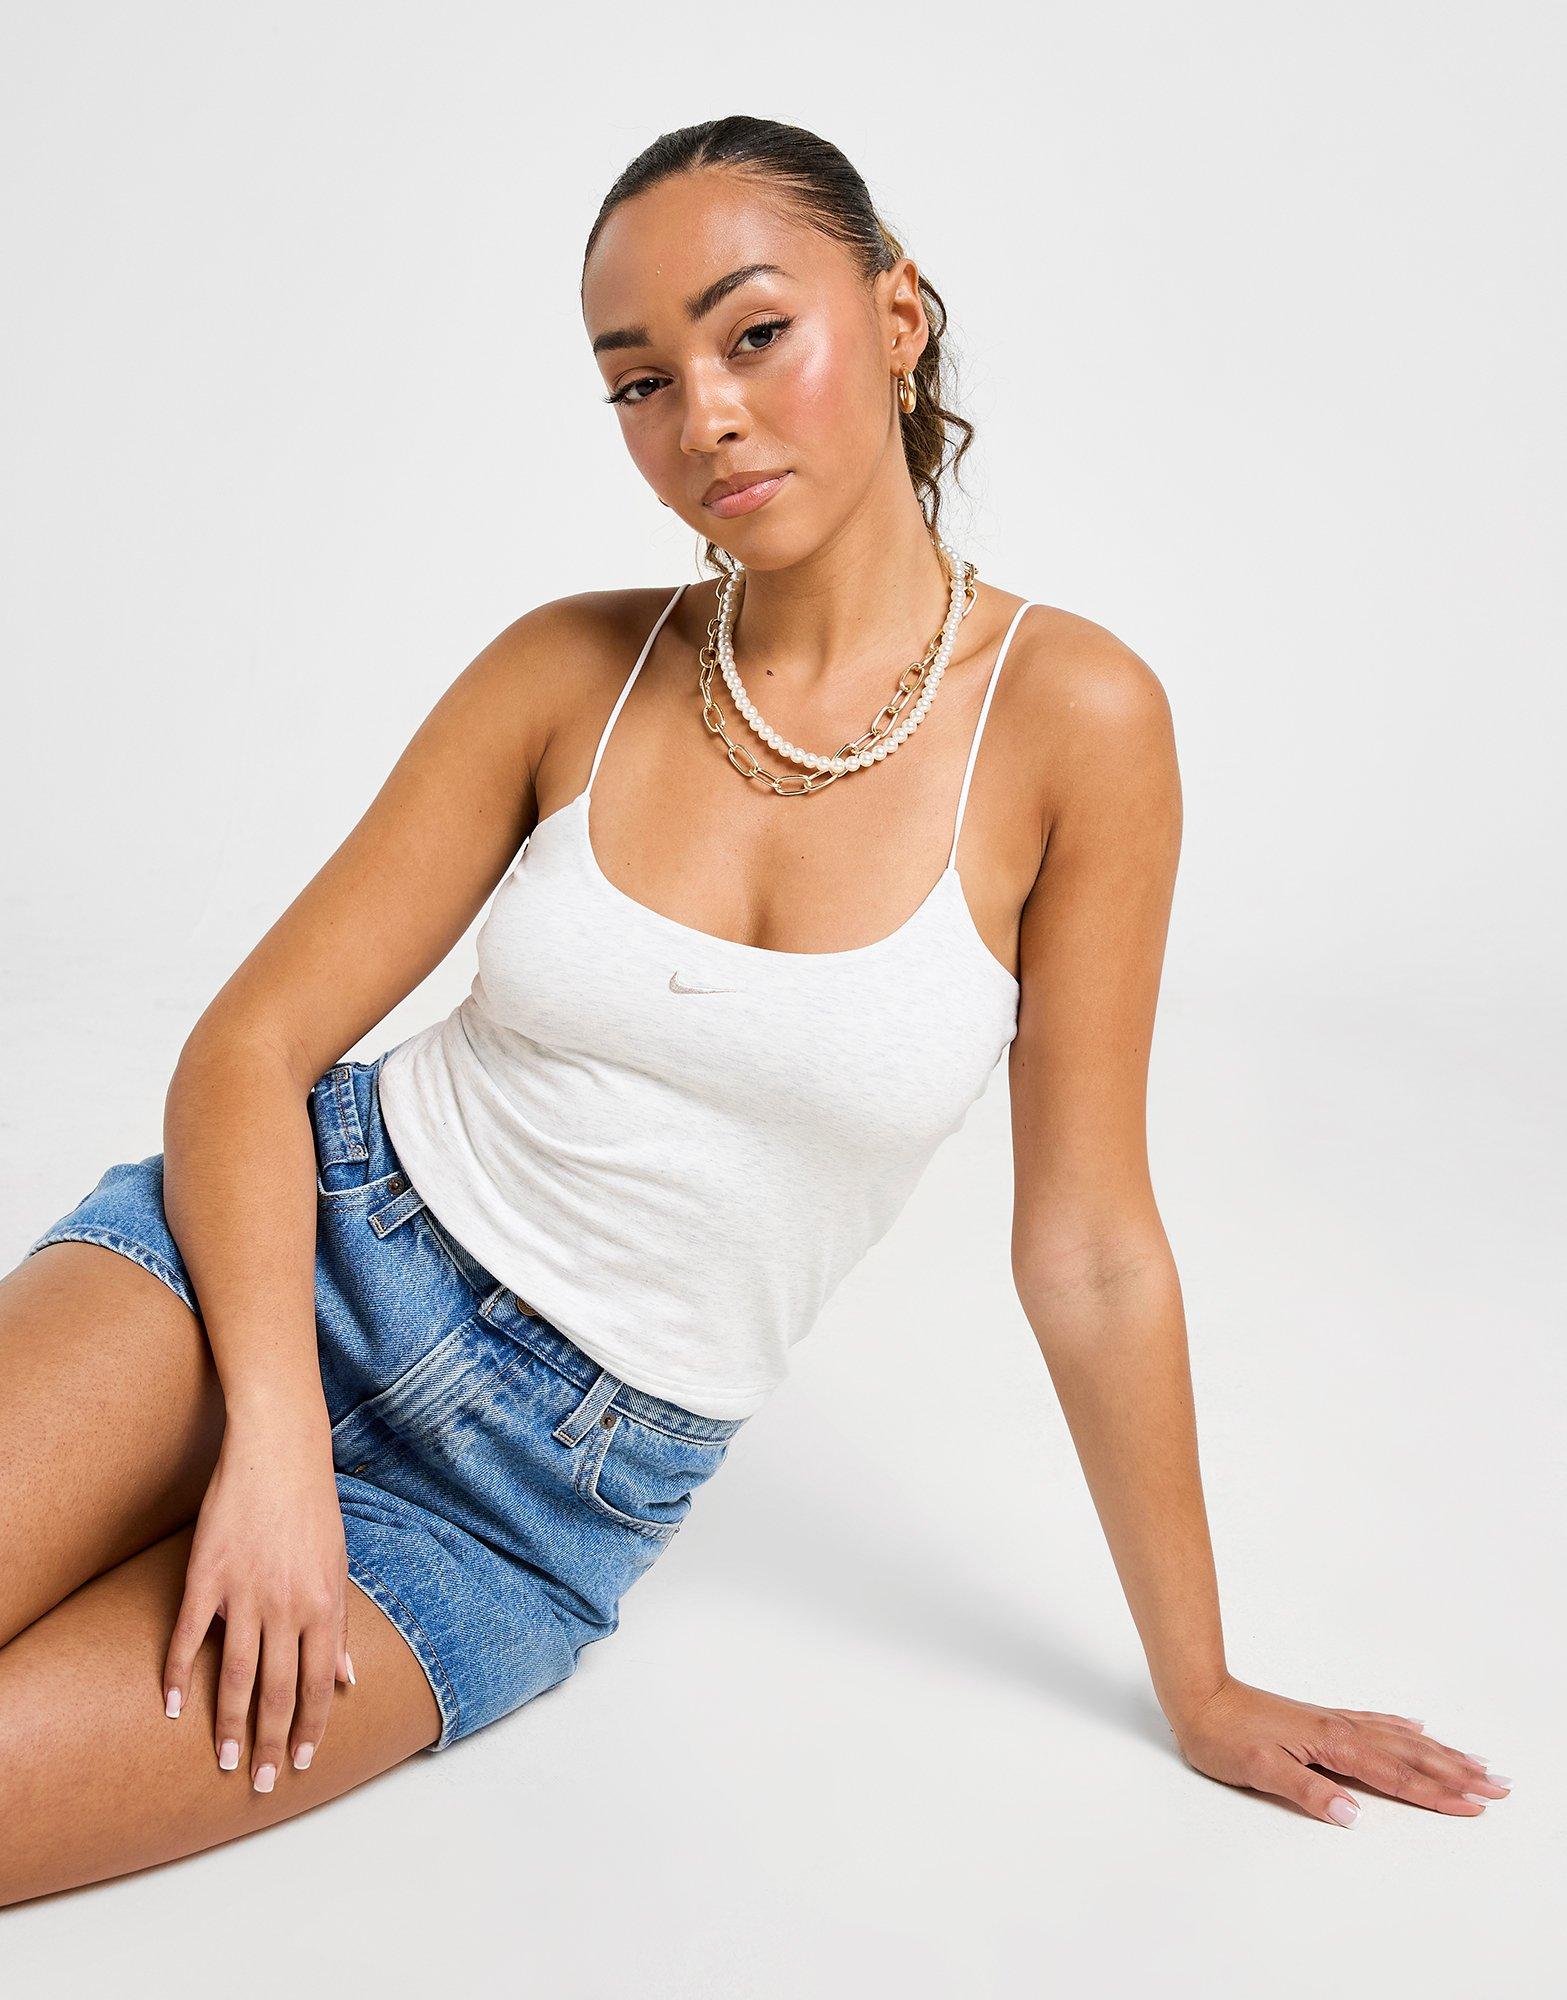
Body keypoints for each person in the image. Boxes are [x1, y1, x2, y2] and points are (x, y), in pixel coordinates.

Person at [0, 114, 1508, 1904]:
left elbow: (1094, 1249)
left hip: (523, 1504)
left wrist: (1203, 1685)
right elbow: (251, 1050)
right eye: (639, 381)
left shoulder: (1077, 723)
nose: (701, 414)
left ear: (898, 316)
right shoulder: (565, 667)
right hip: (278, 1262)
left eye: (754, 333)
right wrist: (269, 1440)